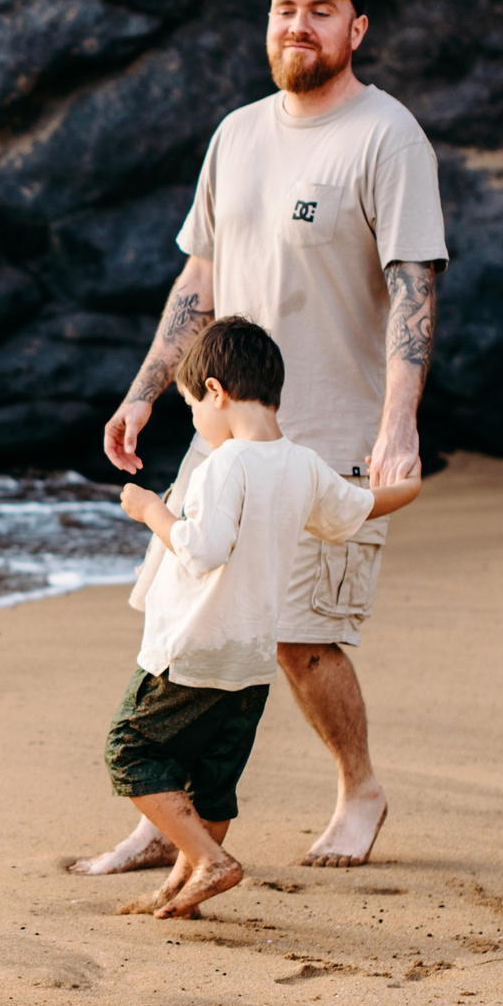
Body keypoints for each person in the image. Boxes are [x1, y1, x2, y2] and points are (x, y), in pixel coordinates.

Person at [79, 0, 446, 875]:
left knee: (301, 637)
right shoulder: (237, 133)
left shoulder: (387, 137)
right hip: (221, 435)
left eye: (322, 9)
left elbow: (413, 287)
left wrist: (398, 422)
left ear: (357, 28)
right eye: (286, 7)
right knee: (184, 616)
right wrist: (144, 390)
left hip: (329, 438)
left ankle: (359, 789)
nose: (300, 24)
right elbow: (198, 280)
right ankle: (174, 815)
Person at [106, 317, 420, 916]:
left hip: (190, 652)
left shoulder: (224, 464)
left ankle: (210, 861)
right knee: (212, 780)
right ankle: (180, 889)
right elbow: (359, 508)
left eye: (193, 407)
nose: (197, 421)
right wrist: (411, 484)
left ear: (216, 392)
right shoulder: (303, 464)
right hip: (250, 662)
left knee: (129, 751)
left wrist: (149, 510)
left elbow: (200, 549)